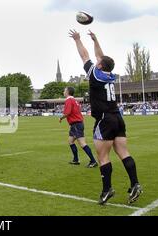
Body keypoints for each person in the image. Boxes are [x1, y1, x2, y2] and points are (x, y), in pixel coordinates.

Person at [69, 29, 142, 204]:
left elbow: (85, 56)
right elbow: (102, 57)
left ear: (100, 65)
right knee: (123, 152)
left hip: (104, 119)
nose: (97, 60)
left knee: (103, 157)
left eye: (99, 61)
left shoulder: (95, 73)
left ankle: (107, 189)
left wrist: (78, 40)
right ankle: (135, 184)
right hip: (117, 117)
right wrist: (95, 40)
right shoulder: (109, 74)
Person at [59, 87, 98, 168]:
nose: (63, 92)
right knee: (70, 141)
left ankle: (93, 161)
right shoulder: (74, 100)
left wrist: (61, 118)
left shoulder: (69, 100)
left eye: (64, 90)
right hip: (76, 124)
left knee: (82, 143)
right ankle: (76, 160)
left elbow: (67, 113)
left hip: (76, 124)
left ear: (67, 92)